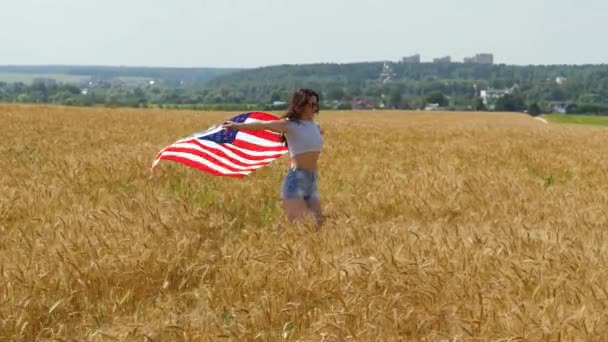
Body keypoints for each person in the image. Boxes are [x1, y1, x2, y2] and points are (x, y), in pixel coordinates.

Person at [221, 88, 324, 227]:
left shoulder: (315, 126)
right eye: (310, 104)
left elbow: (314, 136)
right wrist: (237, 126)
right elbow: (262, 125)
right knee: (301, 227)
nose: (314, 108)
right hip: (296, 181)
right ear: (300, 105)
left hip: (311, 180)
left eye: (315, 105)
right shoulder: (289, 124)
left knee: (319, 224)